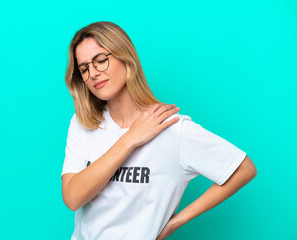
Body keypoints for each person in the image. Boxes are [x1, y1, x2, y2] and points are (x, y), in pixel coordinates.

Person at [61, 21, 257, 240]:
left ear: (125, 58)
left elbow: (244, 169)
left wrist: (177, 221)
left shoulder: (172, 130)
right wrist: (130, 139)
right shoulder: (84, 123)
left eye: (100, 60)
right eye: (84, 69)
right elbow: (72, 197)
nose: (93, 73)